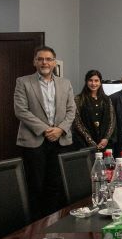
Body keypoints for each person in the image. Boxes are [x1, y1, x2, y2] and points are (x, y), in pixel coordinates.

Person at [14, 46, 76, 217]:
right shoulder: (23, 82)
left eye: (48, 59)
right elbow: (21, 110)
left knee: (57, 185)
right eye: (40, 59)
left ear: (54, 62)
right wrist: (45, 130)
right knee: (35, 186)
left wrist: (60, 129)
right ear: (34, 62)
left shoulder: (65, 83)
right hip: (34, 141)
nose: (44, 62)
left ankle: (54, 221)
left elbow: (71, 110)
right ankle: (36, 225)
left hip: (60, 141)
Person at [72, 70, 115, 151]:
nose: (93, 83)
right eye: (90, 80)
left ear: (100, 82)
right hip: (84, 143)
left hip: (104, 143)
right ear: (86, 81)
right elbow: (77, 122)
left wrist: (106, 138)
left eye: (96, 80)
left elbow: (112, 120)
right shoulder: (78, 99)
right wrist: (90, 141)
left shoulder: (107, 99)